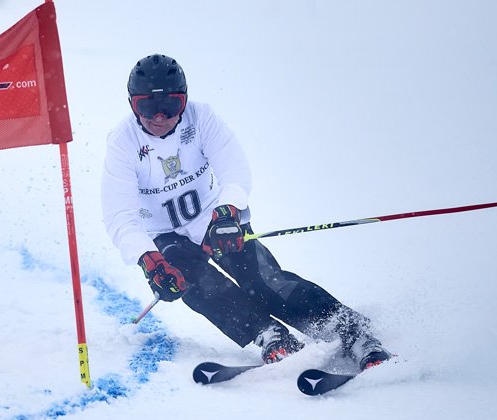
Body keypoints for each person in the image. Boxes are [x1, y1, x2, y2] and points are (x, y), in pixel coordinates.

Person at [101, 53, 391, 368]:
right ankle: (268, 334)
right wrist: (149, 260)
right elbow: (120, 216)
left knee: (265, 280)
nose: (159, 116)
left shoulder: (202, 119)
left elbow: (234, 171)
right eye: (147, 106)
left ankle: (349, 329)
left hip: (215, 220)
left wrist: (228, 213)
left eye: (170, 106)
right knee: (197, 287)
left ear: (184, 102)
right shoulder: (123, 143)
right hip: (165, 234)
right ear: (132, 105)